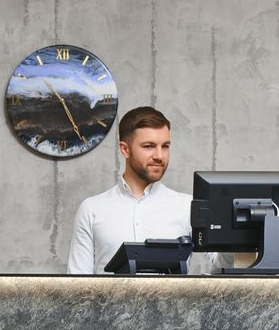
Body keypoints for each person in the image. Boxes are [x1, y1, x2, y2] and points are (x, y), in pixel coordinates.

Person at [66, 106, 210, 274]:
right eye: (149, 146)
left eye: (165, 146)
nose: (159, 156)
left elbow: (220, 265)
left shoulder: (188, 206)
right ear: (125, 149)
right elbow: (77, 283)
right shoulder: (91, 209)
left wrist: (237, 236)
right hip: (109, 301)